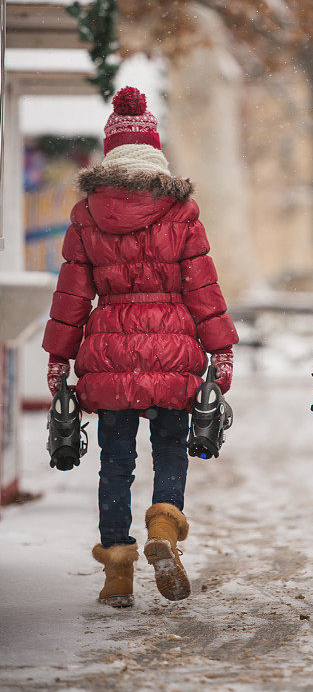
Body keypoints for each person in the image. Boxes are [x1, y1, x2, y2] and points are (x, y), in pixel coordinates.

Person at [43, 87, 238, 608]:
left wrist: (59, 356)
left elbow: (73, 294)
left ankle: (116, 577)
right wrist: (220, 351)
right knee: (172, 449)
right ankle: (164, 530)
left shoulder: (88, 214)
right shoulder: (181, 210)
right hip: (173, 351)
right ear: (155, 150)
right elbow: (203, 289)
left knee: (115, 463)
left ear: (110, 153)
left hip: (109, 353)